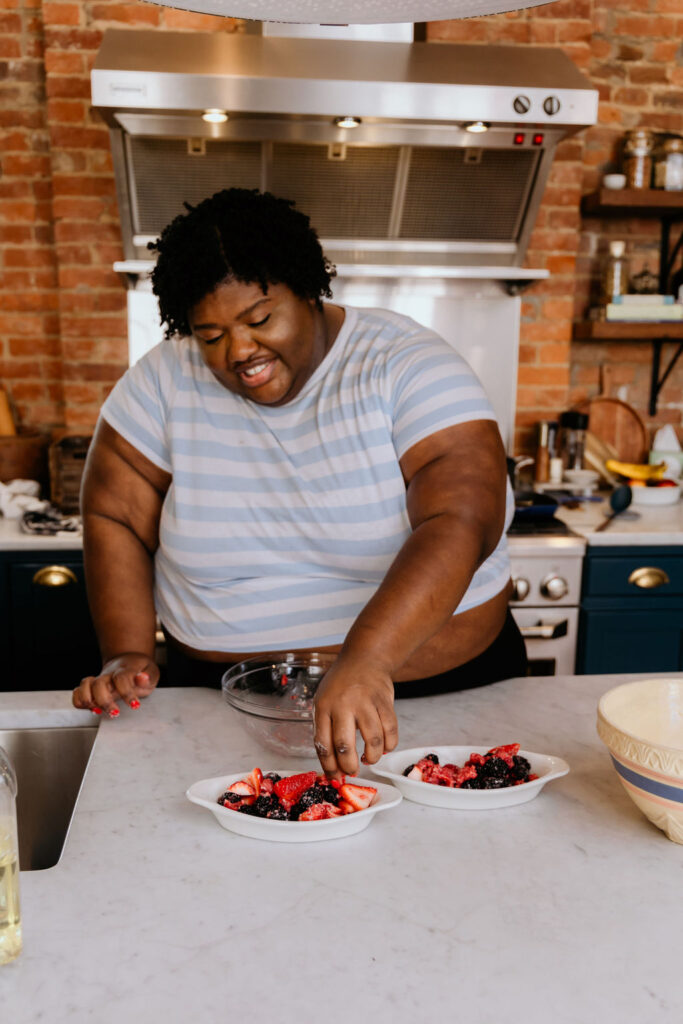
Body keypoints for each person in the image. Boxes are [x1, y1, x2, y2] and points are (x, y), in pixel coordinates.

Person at [71, 187, 527, 777]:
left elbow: (463, 519)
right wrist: (128, 650)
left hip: (437, 699)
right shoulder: (161, 381)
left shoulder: (406, 363)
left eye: (259, 319)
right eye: (210, 335)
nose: (239, 350)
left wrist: (366, 660)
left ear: (309, 288)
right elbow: (116, 516)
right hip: (222, 706)